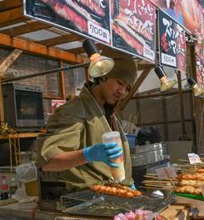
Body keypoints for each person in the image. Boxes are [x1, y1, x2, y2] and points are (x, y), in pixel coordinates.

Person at [36, 48, 137, 191]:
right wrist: (88, 154)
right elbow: (47, 161)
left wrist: (128, 181)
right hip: (89, 200)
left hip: (116, 196)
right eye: (119, 82)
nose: (122, 92)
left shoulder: (110, 113)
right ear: (103, 75)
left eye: (127, 88)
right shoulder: (74, 110)